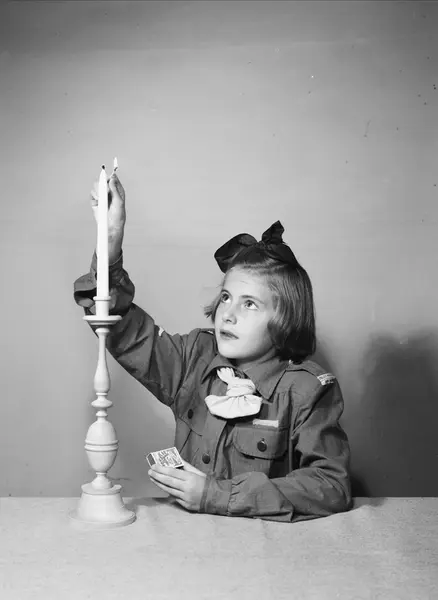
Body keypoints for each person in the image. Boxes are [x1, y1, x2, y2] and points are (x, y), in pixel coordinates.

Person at [74, 173, 352, 523]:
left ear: (285, 317)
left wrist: (215, 494)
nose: (228, 314)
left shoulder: (307, 390)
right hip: (190, 544)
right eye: (225, 297)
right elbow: (125, 332)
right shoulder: (194, 358)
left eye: (249, 304)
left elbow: (330, 485)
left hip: (263, 548)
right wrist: (110, 242)